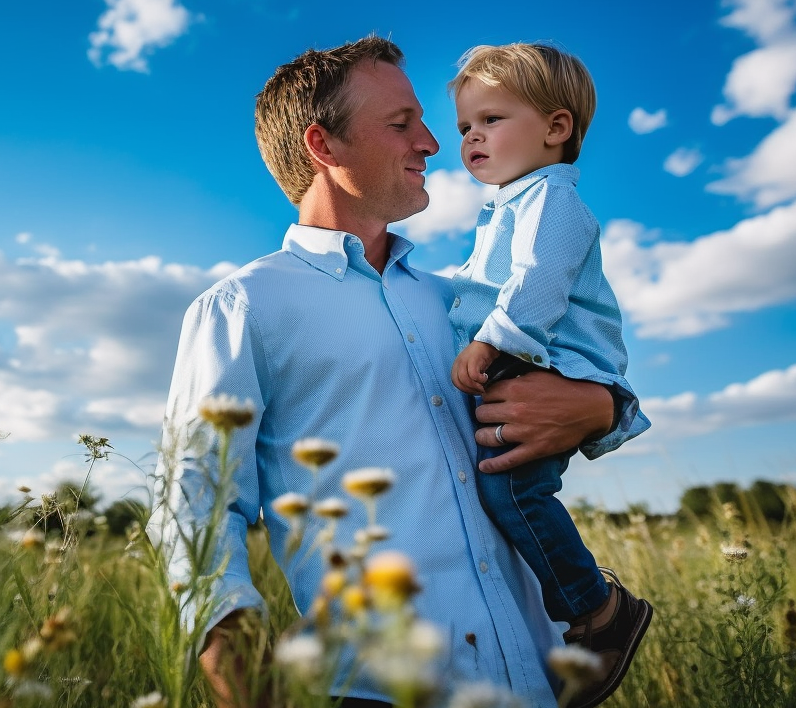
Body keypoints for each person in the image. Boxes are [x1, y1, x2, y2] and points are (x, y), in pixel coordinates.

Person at [149, 36, 640, 708]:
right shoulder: (242, 308)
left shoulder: (463, 301)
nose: (434, 143)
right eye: (402, 122)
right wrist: (244, 680)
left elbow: (584, 368)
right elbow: (193, 508)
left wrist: (601, 409)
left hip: (546, 675)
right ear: (325, 146)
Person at [448, 43, 652, 708]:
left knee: (516, 495)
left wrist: (490, 340)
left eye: (491, 119)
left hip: (549, 362)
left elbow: (539, 280)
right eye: (464, 128)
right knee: (509, 491)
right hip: (533, 359)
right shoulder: (512, 204)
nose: (473, 136)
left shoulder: (552, 201)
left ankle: (598, 610)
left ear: (556, 128)